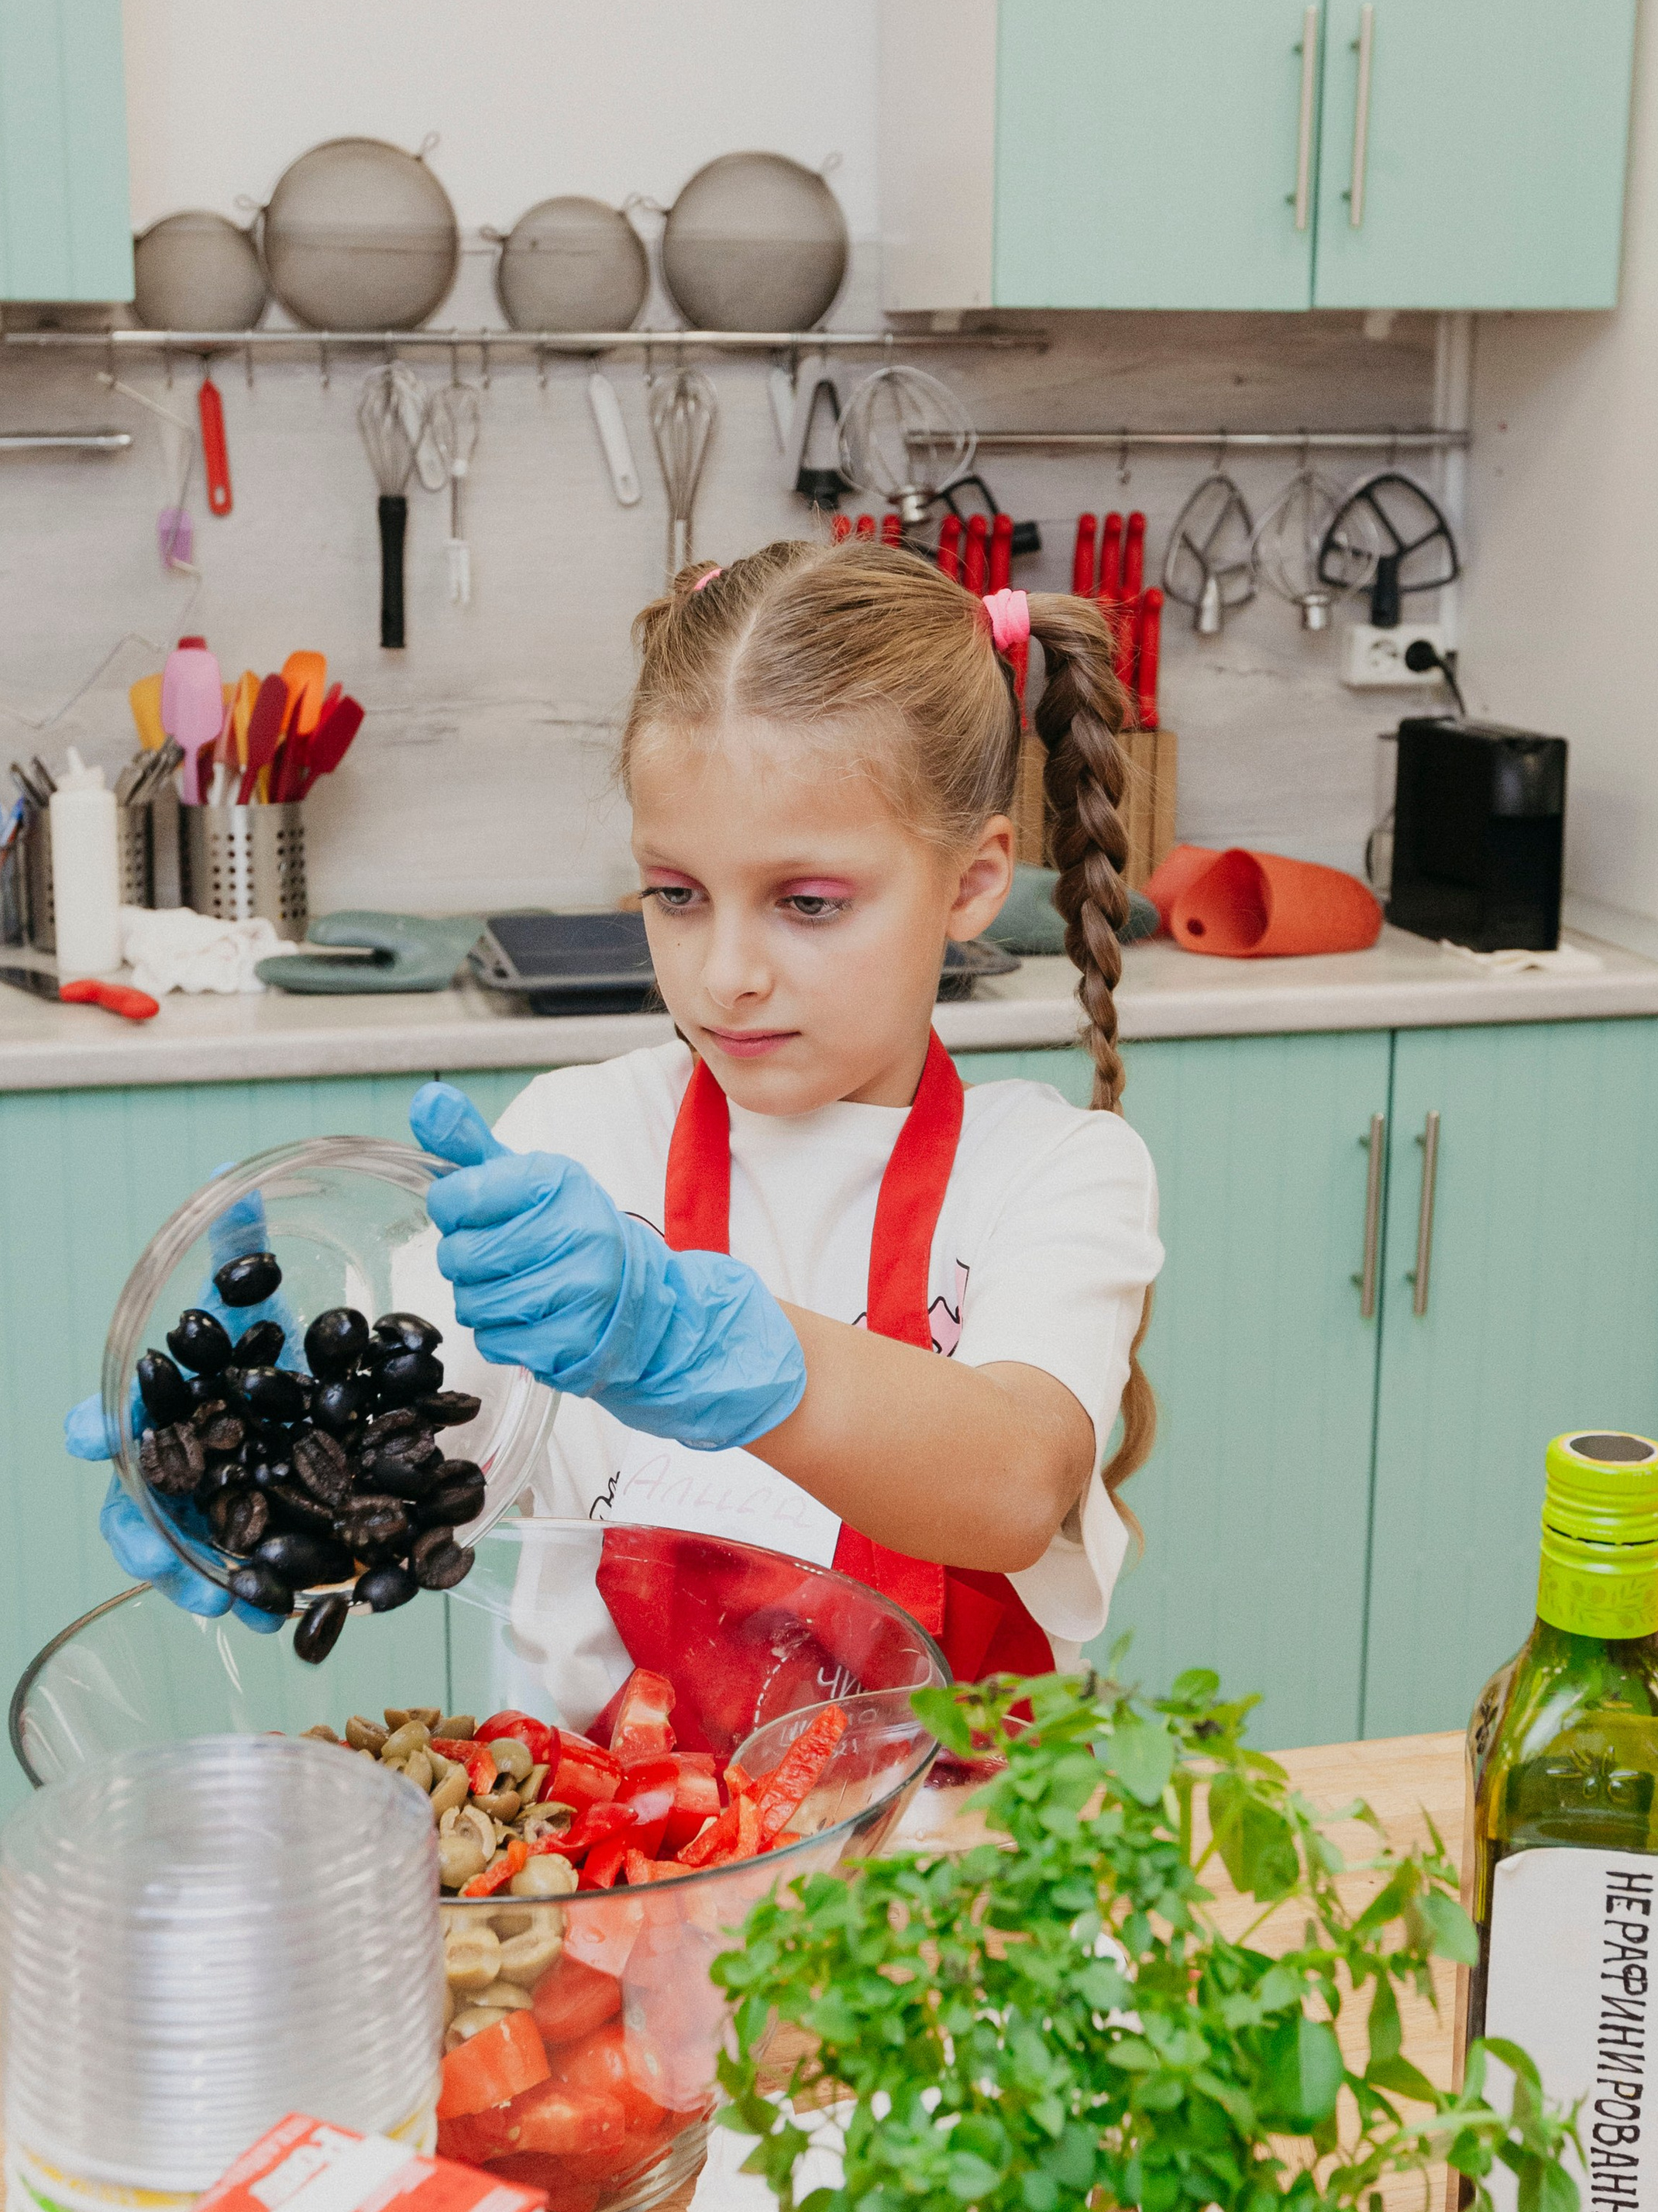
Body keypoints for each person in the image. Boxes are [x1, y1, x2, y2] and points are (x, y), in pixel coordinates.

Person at [75, 538, 1162, 1676]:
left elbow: (1014, 1488)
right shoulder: (570, 1146)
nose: (724, 971)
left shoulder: (1055, 1170)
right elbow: (434, 1464)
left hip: (949, 1834)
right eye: (677, 894)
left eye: (807, 901)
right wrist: (269, 1446)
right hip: (595, 1841)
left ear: (975, 882)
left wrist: (698, 1346)